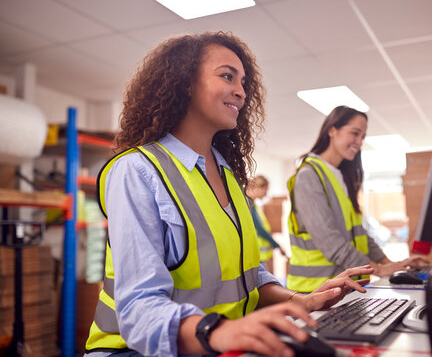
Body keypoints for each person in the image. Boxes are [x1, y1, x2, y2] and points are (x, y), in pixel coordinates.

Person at [84, 32, 374, 357]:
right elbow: (139, 311)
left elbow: (246, 274)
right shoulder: (137, 170)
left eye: (244, 82)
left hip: (212, 346)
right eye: (227, 76)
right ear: (185, 83)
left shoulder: (227, 176)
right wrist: (220, 332)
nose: (241, 91)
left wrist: (300, 300)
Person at [286, 105, 428, 293]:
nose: (359, 142)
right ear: (332, 130)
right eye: (355, 133)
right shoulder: (309, 175)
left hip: (344, 287)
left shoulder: (340, 177)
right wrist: (378, 269)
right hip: (315, 290)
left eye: (363, 137)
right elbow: (330, 242)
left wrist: (391, 265)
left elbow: (359, 234)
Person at [245, 175, 287, 274]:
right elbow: (259, 228)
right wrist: (277, 245)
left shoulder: (253, 204)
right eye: (265, 190)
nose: (266, 194)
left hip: (259, 254)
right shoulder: (248, 203)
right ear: (259, 187)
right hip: (257, 254)